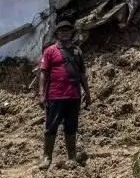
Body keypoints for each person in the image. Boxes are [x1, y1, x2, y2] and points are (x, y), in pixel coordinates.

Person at [37, 21, 92, 170]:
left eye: (68, 31)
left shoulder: (77, 52)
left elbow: (82, 74)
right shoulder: (50, 51)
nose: (65, 33)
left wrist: (87, 92)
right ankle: (47, 157)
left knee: (71, 126)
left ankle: (72, 156)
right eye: (62, 31)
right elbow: (43, 73)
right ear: (57, 34)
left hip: (74, 96)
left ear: (72, 33)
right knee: (51, 126)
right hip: (55, 95)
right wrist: (41, 94)